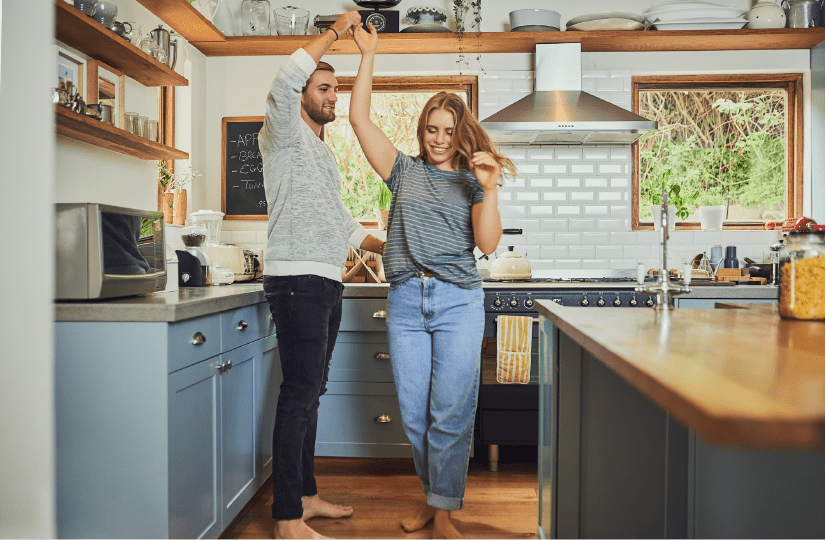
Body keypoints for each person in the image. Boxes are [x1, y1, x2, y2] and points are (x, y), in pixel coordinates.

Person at [350, 23, 516, 539]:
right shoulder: (403, 170)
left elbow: (487, 244)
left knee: (450, 412)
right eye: (431, 130)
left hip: (457, 302)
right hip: (405, 300)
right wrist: (370, 54)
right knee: (415, 415)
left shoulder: (473, 180)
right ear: (422, 131)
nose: (440, 140)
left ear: (461, 132)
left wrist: (490, 187)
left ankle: (443, 512)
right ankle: (434, 498)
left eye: (448, 131)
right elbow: (358, 119)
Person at [258, 12, 387, 540]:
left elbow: (343, 225)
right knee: (299, 393)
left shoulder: (321, 155)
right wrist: (336, 31)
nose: (334, 97)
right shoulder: (283, 132)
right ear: (303, 95)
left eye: (337, 89)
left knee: (312, 393)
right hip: (297, 280)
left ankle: (306, 496)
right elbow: (285, 78)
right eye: (325, 88)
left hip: (324, 282)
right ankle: (287, 518)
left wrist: (396, 245)